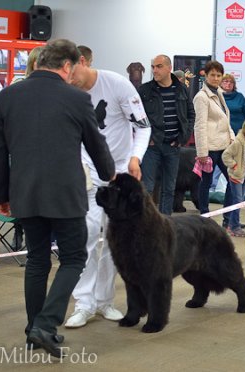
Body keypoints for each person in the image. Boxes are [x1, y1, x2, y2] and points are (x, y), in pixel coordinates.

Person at [0, 39, 115, 357]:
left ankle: (34, 330)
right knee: (74, 258)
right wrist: (109, 173)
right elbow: (95, 143)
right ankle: (46, 324)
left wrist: (1, 195)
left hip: (25, 192)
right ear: (67, 66)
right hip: (65, 193)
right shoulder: (76, 98)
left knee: (37, 260)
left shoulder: (6, 97)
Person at [65, 45, 151, 329]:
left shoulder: (117, 85)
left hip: (120, 176)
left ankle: (105, 301)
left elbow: (143, 126)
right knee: (87, 237)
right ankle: (84, 303)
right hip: (87, 173)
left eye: (71, 70)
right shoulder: (68, 91)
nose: (69, 77)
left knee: (116, 242)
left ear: (83, 62)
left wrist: (135, 157)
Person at [138, 54, 194, 215]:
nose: (155, 70)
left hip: (173, 147)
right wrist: (147, 139)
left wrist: (183, 138)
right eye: (153, 67)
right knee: (147, 188)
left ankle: (165, 224)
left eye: (159, 66)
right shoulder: (144, 90)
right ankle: (145, 224)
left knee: (169, 188)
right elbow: (135, 116)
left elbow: (190, 114)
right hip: (151, 148)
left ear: (169, 68)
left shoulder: (181, 89)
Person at [194, 61, 235, 227]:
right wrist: (202, 152)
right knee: (206, 182)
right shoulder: (201, 97)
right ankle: (204, 216)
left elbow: (225, 119)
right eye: (213, 75)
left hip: (224, 146)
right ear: (206, 75)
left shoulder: (219, 92)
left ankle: (228, 218)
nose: (216, 78)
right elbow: (200, 125)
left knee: (233, 181)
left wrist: (232, 137)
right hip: (209, 148)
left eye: (219, 75)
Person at [222, 116, 245, 237]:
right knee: (237, 201)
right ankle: (234, 227)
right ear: (244, 128)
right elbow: (226, 155)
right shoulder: (238, 142)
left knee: (239, 201)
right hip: (236, 176)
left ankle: (232, 222)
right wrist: (234, 166)